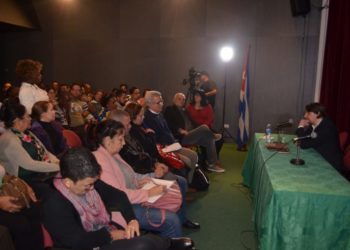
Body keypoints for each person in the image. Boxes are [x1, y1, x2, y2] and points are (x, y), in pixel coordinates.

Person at [42, 147, 194, 250]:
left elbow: (118, 196)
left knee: (141, 241)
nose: (92, 188)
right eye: (88, 185)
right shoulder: (54, 205)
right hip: (87, 244)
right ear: (68, 182)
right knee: (142, 245)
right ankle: (167, 244)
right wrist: (112, 235)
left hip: (101, 232)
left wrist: (131, 219)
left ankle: (165, 244)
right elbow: (76, 241)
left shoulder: (84, 180)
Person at [93, 120, 199, 238]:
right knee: (171, 220)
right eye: (120, 139)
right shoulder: (101, 162)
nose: (123, 143)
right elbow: (119, 196)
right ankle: (175, 230)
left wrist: (150, 177)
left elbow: (131, 177)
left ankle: (179, 224)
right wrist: (148, 193)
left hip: (133, 198)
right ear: (108, 141)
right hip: (122, 209)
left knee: (176, 185)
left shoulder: (113, 154)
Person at [0, 101, 59, 197]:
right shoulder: (8, 139)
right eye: (27, 116)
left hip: (41, 173)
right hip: (26, 181)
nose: (30, 119)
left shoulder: (26, 133)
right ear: (17, 121)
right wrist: (60, 167)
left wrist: (58, 162)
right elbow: (29, 165)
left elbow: (45, 152)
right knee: (56, 194)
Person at [143, 91, 198, 182]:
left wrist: (174, 141)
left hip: (172, 145)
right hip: (163, 149)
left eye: (162, 101)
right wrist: (170, 145)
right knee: (187, 161)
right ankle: (185, 183)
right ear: (149, 104)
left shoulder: (159, 114)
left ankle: (189, 182)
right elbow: (156, 139)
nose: (161, 104)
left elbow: (168, 131)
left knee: (194, 155)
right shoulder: (147, 118)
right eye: (158, 102)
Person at [165, 92, 224, 173]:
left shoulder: (184, 110)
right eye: (179, 99)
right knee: (204, 127)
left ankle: (211, 164)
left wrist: (198, 129)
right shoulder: (170, 109)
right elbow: (168, 123)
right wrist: (180, 130)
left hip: (191, 133)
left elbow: (193, 122)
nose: (182, 101)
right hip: (182, 136)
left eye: (183, 99)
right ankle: (213, 135)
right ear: (174, 99)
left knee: (209, 140)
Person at [0, 164, 44, 250]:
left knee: (36, 210)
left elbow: (5, 174)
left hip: (6, 192)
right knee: (20, 224)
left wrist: (24, 184)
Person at [296, 102, 343, 171]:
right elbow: (304, 138)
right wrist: (301, 134)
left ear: (317, 113)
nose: (305, 116)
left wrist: (301, 126)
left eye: (308, 113)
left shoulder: (327, 127)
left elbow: (303, 144)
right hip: (318, 157)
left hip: (330, 165)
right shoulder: (314, 124)